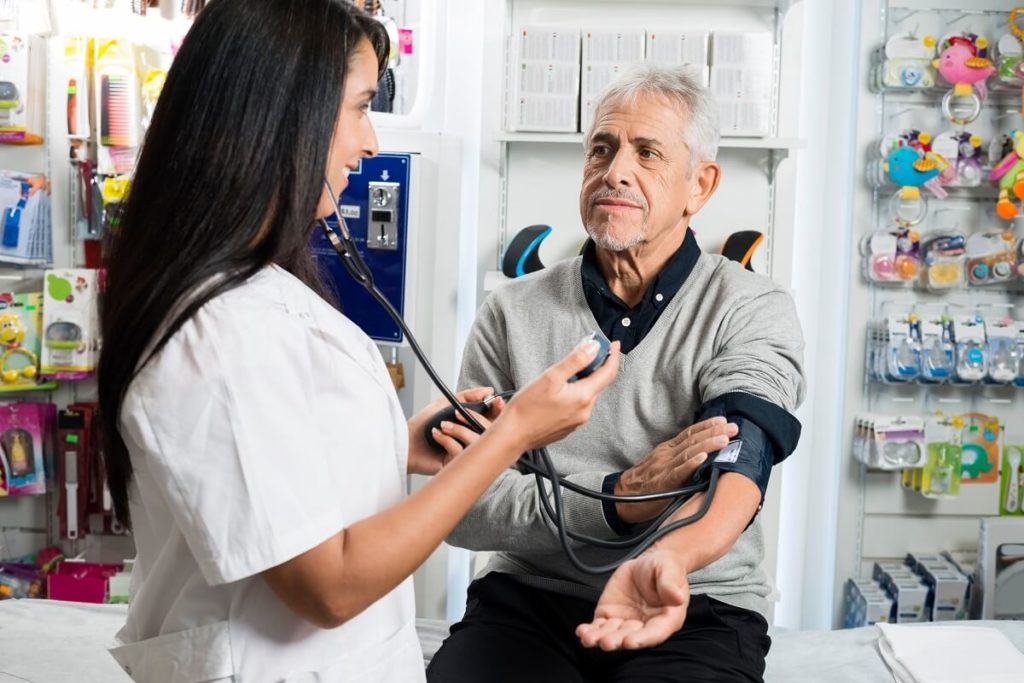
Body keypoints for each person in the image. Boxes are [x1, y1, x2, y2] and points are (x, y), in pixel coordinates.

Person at [96, 2, 621, 681]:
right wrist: (509, 437)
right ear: (283, 115)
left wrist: (398, 444)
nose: (371, 142)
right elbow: (329, 584)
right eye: (360, 107)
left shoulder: (255, 294)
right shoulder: (215, 335)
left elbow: (264, 466)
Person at [427, 64, 806, 683]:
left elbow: (742, 455)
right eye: (601, 148)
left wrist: (671, 557)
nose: (615, 171)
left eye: (647, 153)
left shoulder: (749, 305)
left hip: (697, 600)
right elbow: (466, 506)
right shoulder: (510, 312)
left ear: (699, 186)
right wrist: (617, 499)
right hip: (528, 598)